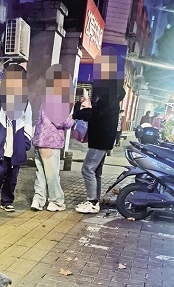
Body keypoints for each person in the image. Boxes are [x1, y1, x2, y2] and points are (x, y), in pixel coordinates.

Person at [73, 50, 126, 214]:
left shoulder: (108, 90)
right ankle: (95, 200)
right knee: (96, 171)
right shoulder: (113, 90)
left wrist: (80, 110)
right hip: (103, 137)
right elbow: (98, 112)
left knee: (87, 169)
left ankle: (92, 202)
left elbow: (96, 114)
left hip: (101, 137)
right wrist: (86, 105)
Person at [0, 64, 32, 212]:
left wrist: (25, 142)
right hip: (1, 147)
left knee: (12, 178)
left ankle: (7, 201)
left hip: (16, 147)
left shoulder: (25, 104)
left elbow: (28, 124)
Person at [31, 65, 75, 211]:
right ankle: (56, 201)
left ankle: (38, 200)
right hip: (50, 144)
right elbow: (62, 121)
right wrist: (72, 120)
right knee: (52, 175)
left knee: (41, 174)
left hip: (39, 142)